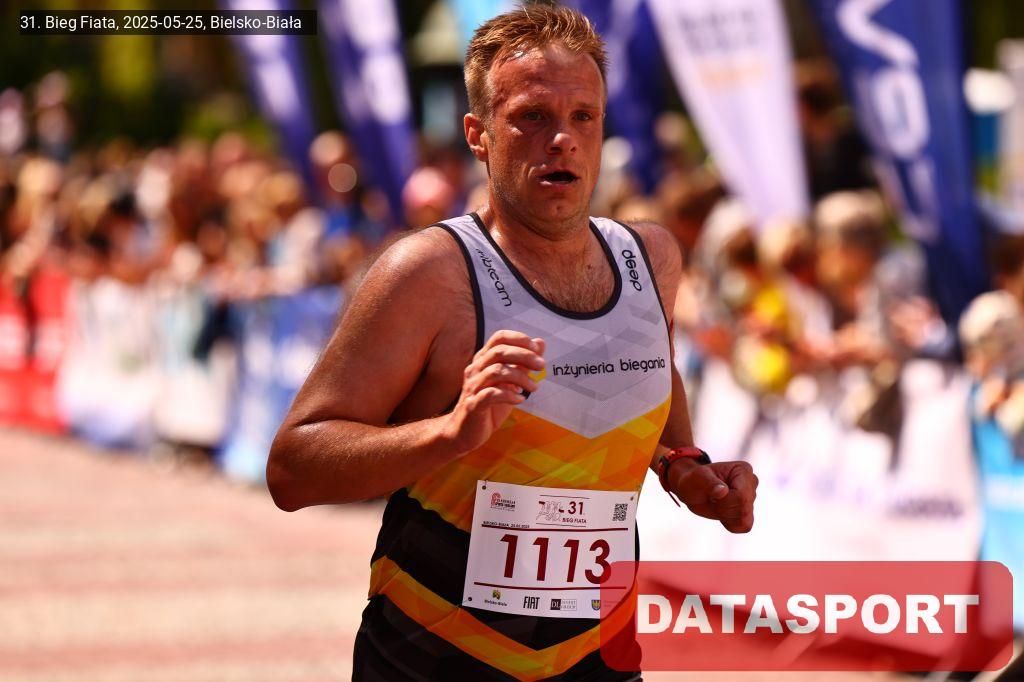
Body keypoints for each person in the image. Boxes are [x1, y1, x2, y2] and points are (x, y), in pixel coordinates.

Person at [267, 6, 757, 680]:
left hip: (597, 656)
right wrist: (449, 433)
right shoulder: (428, 274)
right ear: (479, 135)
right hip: (435, 660)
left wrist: (683, 466)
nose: (562, 139)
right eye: (532, 116)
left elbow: (646, 371)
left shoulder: (651, 259)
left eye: (583, 116)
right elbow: (293, 469)